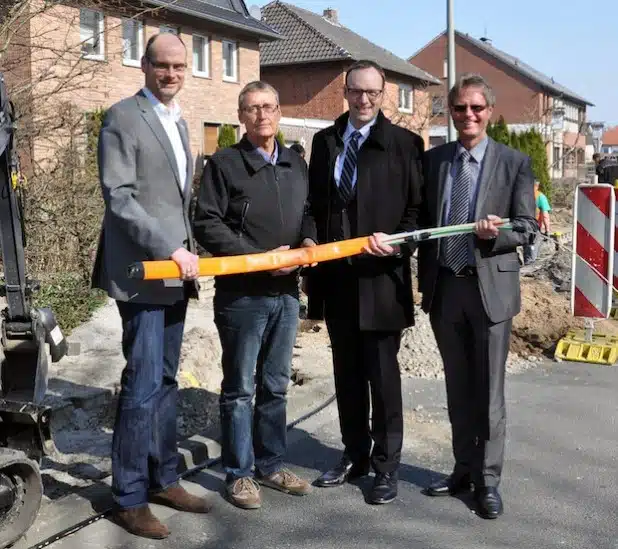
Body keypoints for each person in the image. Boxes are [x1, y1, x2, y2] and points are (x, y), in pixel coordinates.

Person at [91, 33, 211, 539]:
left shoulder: (179, 120)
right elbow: (119, 197)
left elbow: (175, 200)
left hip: (175, 274)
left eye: (179, 66)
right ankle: (130, 495)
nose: (171, 74)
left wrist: (190, 248)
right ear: (144, 65)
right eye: (162, 65)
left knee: (165, 381)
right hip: (143, 274)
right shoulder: (122, 117)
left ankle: (164, 477)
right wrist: (169, 248)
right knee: (141, 387)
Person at [302, 59, 424, 505]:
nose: (364, 99)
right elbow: (314, 203)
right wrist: (310, 236)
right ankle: (354, 455)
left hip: (381, 281)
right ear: (346, 92)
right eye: (357, 91)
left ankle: (386, 466)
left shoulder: (404, 144)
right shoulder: (326, 142)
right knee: (347, 375)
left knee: (383, 378)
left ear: (384, 93)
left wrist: (395, 245)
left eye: (373, 92)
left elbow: (417, 213)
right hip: (336, 281)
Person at [418, 73, 536, 519]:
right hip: (445, 287)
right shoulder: (435, 161)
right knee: (457, 387)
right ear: (450, 112)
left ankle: (488, 480)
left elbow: (525, 228)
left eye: (476, 108)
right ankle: (462, 469)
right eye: (460, 108)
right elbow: (424, 219)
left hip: (489, 290)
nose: (468, 115)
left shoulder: (513, 163)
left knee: (488, 392)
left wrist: (496, 232)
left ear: (489, 111)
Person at [193, 81, 312, 510]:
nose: (262, 115)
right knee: (241, 387)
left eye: (269, 107)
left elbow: (309, 212)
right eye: (252, 108)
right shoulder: (224, 164)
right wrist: (261, 258)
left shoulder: (296, 164)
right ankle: (239, 474)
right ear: (241, 116)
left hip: (285, 294)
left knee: (276, 385)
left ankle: (270, 464)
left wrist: (310, 241)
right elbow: (206, 223)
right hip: (243, 297)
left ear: (280, 112)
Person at [523, 181, 551, 265]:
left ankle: (527, 262)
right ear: (537, 186)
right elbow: (545, 216)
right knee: (532, 248)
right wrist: (547, 230)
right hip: (533, 228)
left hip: (521, 226)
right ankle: (529, 266)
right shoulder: (540, 197)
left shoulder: (522, 195)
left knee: (526, 248)